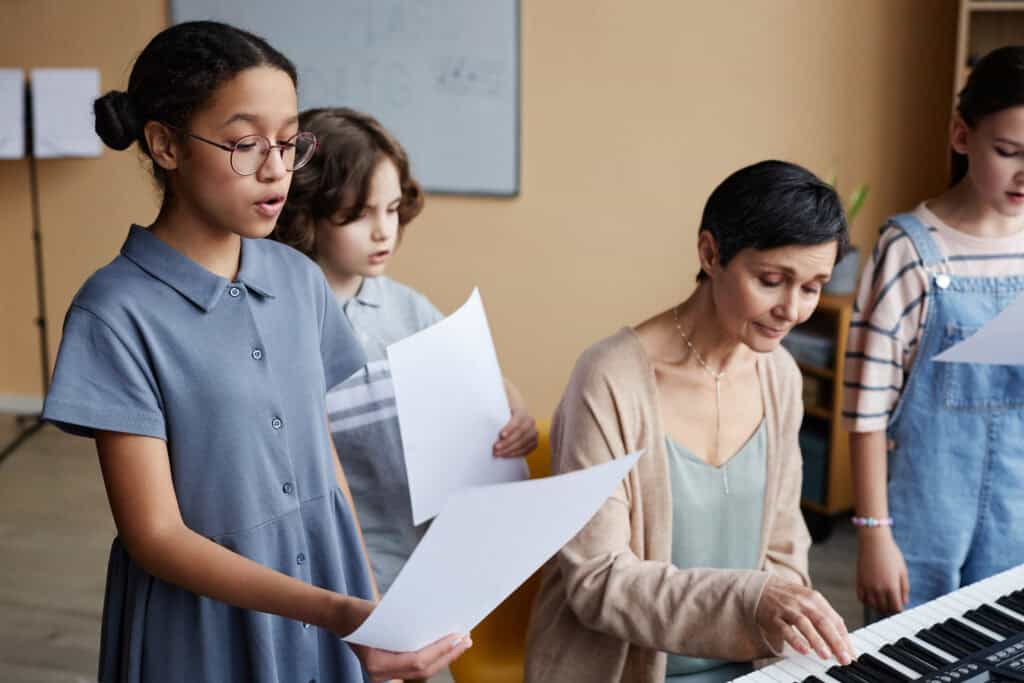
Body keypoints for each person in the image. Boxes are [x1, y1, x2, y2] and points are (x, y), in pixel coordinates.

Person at [41, 21, 469, 683]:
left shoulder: (298, 278)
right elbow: (155, 536)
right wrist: (338, 610)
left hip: (331, 598)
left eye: (290, 142)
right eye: (245, 145)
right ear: (164, 144)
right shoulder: (115, 311)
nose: (276, 169)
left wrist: (370, 606)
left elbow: (321, 456)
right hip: (202, 625)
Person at [524, 160, 854, 683]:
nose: (791, 309)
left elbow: (786, 546)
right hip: (625, 669)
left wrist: (783, 627)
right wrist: (752, 603)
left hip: (754, 662)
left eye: (812, 287)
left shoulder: (781, 376)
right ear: (710, 253)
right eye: (772, 280)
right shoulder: (610, 379)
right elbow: (597, 581)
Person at [271, 106, 538, 593]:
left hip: (418, 564)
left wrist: (515, 414)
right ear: (306, 212)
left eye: (392, 209)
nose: (383, 231)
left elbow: (486, 386)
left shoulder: (407, 309)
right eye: (357, 214)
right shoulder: (280, 317)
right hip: (325, 574)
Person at [845, 45, 1024, 613]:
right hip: (924, 526)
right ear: (960, 135)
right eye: (1008, 151)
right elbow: (866, 412)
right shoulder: (910, 251)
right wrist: (874, 534)